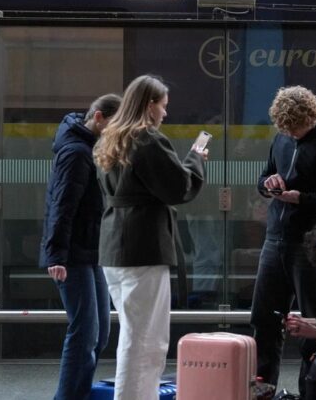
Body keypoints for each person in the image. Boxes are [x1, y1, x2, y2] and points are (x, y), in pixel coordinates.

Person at [93, 75, 207, 400]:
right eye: (162, 106)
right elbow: (178, 187)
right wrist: (196, 157)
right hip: (143, 246)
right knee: (147, 340)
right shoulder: (147, 139)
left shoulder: (109, 138)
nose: (164, 114)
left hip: (114, 246)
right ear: (149, 105)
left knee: (134, 334)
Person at [252, 85, 316, 393]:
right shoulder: (281, 137)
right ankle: (263, 389)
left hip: (310, 245)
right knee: (264, 319)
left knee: (312, 324)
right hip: (275, 238)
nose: (292, 134)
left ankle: (312, 390)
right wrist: (268, 184)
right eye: (286, 129)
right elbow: (263, 176)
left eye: (296, 128)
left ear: (312, 116)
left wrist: (302, 199)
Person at [40, 93, 121, 400]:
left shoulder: (93, 148)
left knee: (98, 334)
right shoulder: (76, 152)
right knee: (84, 332)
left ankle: (78, 393)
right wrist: (56, 254)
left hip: (90, 251)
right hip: (71, 255)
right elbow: (61, 205)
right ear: (98, 117)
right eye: (115, 124)